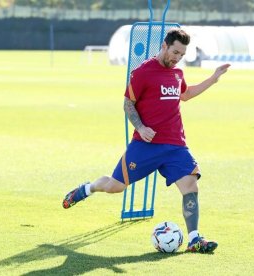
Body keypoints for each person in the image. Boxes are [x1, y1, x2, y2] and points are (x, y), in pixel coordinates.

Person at [62, 28, 230, 254]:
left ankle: (194, 239)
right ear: (164, 46)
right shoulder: (143, 72)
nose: (177, 58)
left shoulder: (177, 73)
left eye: (182, 55)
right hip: (145, 146)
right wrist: (141, 127)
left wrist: (213, 79)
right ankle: (87, 189)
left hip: (175, 145)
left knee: (191, 187)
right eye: (175, 52)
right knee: (115, 186)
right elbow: (127, 104)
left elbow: (186, 94)